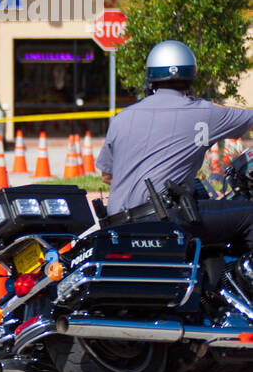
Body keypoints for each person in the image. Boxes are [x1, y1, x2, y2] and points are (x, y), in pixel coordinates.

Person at [97, 40, 253, 249]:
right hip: (164, 220)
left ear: (151, 77)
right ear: (191, 75)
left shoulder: (122, 118)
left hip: (117, 223)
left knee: (198, 191)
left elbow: (107, 176)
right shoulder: (205, 114)